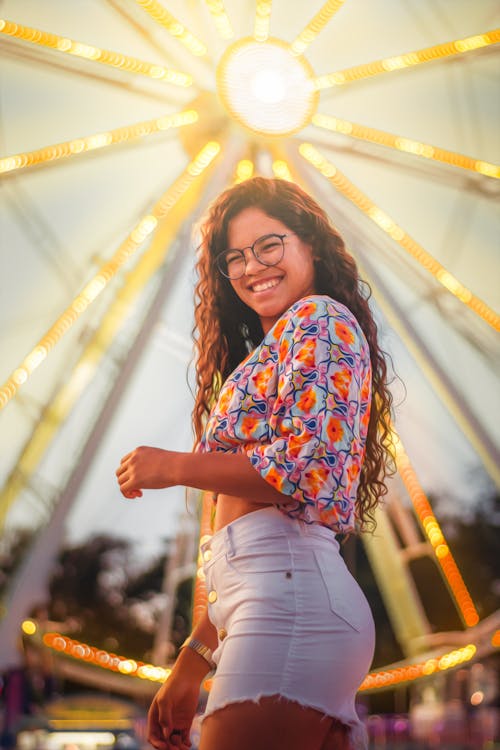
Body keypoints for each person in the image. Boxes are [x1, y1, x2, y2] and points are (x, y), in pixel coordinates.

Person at [116, 177, 394, 750]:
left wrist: (170, 467)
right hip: (277, 599)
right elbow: (243, 539)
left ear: (310, 245)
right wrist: (193, 660)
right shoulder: (277, 345)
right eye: (235, 257)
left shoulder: (319, 319)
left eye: (270, 245)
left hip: (288, 602)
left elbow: (307, 469)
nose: (252, 267)